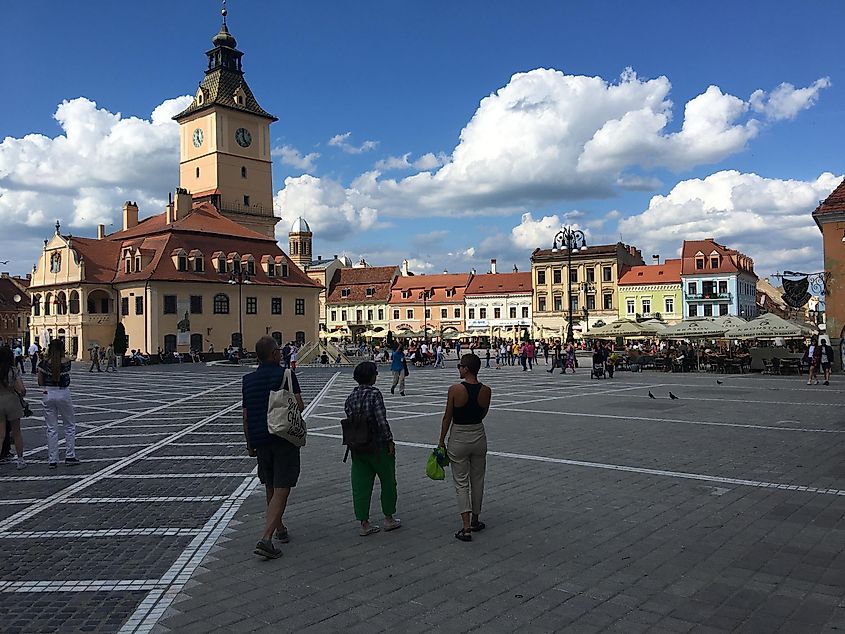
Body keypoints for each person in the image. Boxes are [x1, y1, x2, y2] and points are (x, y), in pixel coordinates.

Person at [242, 336, 305, 559]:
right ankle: (266, 538)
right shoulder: (286, 374)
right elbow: (298, 405)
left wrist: (250, 443)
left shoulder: (247, 380)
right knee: (282, 487)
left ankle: (279, 528)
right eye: (278, 350)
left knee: (270, 484)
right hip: (283, 437)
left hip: (260, 439)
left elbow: (246, 415)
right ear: (274, 354)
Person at [438, 353, 492, 542]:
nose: (458, 368)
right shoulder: (486, 390)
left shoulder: (455, 389)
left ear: (466, 368)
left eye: (460, 366)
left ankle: (466, 527)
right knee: (478, 479)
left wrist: (441, 441)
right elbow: (483, 413)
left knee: (461, 483)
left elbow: (447, 417)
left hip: (459, 436)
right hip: (478, 434)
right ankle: (476, 519)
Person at [344, 361, 401, 536]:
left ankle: (364, 523)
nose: (376, 375)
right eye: (375, 373)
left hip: (358, 447)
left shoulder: (351, 397)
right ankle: (388, 518)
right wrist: (389, 440)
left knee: (361, 485)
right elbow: (381, 420)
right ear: (370, 376)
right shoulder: (375, 394)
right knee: (388, 482)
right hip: (378, 446)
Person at [38, 339, 79, 469]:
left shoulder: (43, 363)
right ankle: (70, 455)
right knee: (69, 425)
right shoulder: (67, 362)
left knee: (51, 428)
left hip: (48, 393)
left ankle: (52, 459)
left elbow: (40, 382)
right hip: (63, 393)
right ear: (62, 349)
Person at [0, 346, 27, 469]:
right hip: (12, 401)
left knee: (1, 434)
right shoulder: (13, 370)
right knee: (16, 432)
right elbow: (21, 390)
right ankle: (20, 460)